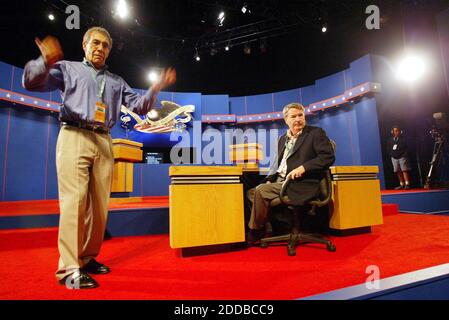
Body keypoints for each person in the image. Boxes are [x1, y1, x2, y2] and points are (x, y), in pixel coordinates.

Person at [22, 27, 176, 289]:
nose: (100, 48)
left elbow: (139, 106)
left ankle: (87, 258)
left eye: (105, 45)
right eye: (95, 43)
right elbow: (31, 82)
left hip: (104, 140)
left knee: (99, 207)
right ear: (84, 45)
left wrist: (155, 89)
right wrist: (44, 61)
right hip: (74, 135)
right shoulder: (67, 68)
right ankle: (69, 269)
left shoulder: (116, 80)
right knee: (75, 203)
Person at [246, 103, 335, 245]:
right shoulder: (283, 139)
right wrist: (270, 179)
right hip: (281, 181)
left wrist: (304, 167)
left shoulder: (315, 133)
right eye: (294, 116)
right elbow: (278, 164)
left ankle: (256, 230)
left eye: (301, 115)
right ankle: (269, 227)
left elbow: (328, 156)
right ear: (286, 120)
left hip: (300, 182)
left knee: (261, 191)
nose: (298, 119)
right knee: (251, 192)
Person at [387, 125, 411, 190]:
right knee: (397, 171)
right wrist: (392, 155)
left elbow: (406, 148)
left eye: (397, 131)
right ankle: (402, 184)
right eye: (394, 131)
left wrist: (403, 155)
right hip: (394, 158)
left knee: (404, 170)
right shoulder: (390, 140)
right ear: (392, 132)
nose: (396, 132)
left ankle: (407, 184)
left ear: (399, 131)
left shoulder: (403, 139)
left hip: (402, 157)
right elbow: (388, 149)